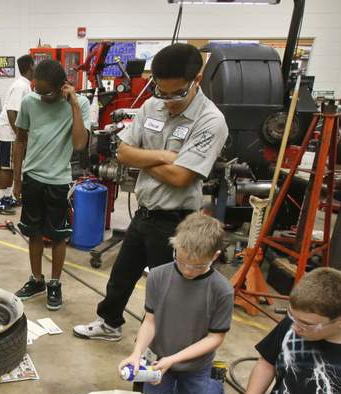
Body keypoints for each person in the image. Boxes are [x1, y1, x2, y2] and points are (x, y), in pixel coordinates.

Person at [73, 43, 228, 342]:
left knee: (166, 289)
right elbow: (122, 151)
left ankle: (158, 342)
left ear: (196, 79)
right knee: (121, 276)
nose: (168, 100)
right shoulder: (150, 105)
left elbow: (181, 177)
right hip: (145, 212)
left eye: (177, 93)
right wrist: (165, 156)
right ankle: (110, 323)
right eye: (162, 91)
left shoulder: (210, 120)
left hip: (176, 219)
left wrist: (142, 156)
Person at [118, 213, 231, 394]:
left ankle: (214, 388)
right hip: (159, 362)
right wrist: (136, 354)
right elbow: (149, 321)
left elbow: (215, 338)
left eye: (197, 266)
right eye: (181, 260)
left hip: (195, 367)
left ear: (215, 256)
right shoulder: (158, 276)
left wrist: (174, 359)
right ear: (175, 246)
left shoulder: (222, 290)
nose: (188, 270)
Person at [12, 58, 91, 311]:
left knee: (58, 236)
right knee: (33, 232)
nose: (41, 96)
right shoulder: (29, 102)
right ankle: (37, 279)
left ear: (61, 87)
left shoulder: (80, 104)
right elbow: (20, 141)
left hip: (58, 181)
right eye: (37, 90)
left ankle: (55, 283)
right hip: (32, 178)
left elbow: (79, 144)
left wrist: (75, 105)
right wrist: (17, 179)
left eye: (47, 92)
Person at [0, 54, 34, 214]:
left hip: (11, 133)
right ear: (30, 66)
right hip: (8, 133)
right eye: (34, 65)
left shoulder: (26, 85)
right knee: (7, 168)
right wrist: (20, 136)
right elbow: (11, 112)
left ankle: (8, 197)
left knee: (14, 166)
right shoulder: (20, 86)